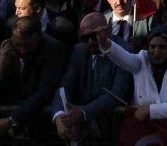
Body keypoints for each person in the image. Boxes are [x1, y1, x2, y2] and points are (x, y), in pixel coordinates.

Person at [51, 13, 134, 141]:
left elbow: (117, 94)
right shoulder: (80, 50)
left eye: (94, 37)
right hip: (82, 131)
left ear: (106, 32)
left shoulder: (125, 51)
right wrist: (60, 117)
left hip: (113, 129)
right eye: (85, 38)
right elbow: (65, 86)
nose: (90, 42)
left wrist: (83, 112)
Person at [0, 16, 67, 137]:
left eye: (28, 46)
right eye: (18, 45)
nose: (22, 51)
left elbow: (44, 93)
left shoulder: (53, 50)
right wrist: (1, 67)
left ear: (38, 38)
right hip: (5, 132)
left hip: (40, 129)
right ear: (12, 38)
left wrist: (12, 120)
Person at [98, 19, 167, 125]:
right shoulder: (141, 60)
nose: (156, 52)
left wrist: (150, 110)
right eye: (152, 47)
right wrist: (105, 43)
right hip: (142, 129)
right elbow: (122, 57)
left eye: (162, 47)